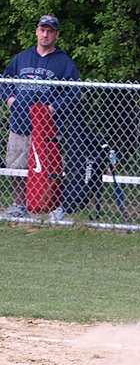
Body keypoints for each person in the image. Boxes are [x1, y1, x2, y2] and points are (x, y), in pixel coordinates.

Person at [2, 14, 80, 218]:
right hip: (20, 125)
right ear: (37, 31)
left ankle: (53, 207)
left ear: (56, 34)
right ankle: (20, 206)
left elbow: (74, 93)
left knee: (50, 167)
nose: (45, 34)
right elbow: (4, 81)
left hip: (48, 129)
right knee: (16, 165)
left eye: (50, 31)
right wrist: (11, 100)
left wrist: (54, 108)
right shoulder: (22, 58)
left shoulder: (64, 62)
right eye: (42, 30)